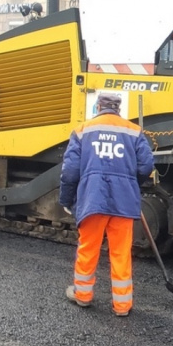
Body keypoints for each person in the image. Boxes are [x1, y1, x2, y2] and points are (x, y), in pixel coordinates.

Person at [59, 92, 156, 317]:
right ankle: (122, 306)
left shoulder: (82, 130)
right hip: (123, 201)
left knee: (88, 248)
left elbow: (70, 171)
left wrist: (66, 199)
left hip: (93, 198)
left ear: (99, 106)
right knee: (121, 252)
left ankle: (83, 296)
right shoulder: (134, 131)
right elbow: (146, 166)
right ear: (118, 108)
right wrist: (131, 183)